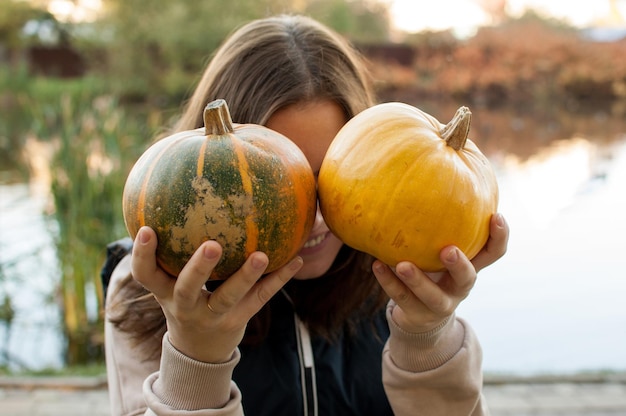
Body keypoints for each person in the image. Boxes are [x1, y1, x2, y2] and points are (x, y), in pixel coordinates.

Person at [103, 14, 509, 416]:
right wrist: (195, 356)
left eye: (329, 178)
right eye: (277, 186)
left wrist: (427, 338)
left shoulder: (398, 268)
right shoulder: (148, 289)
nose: (314, 219)